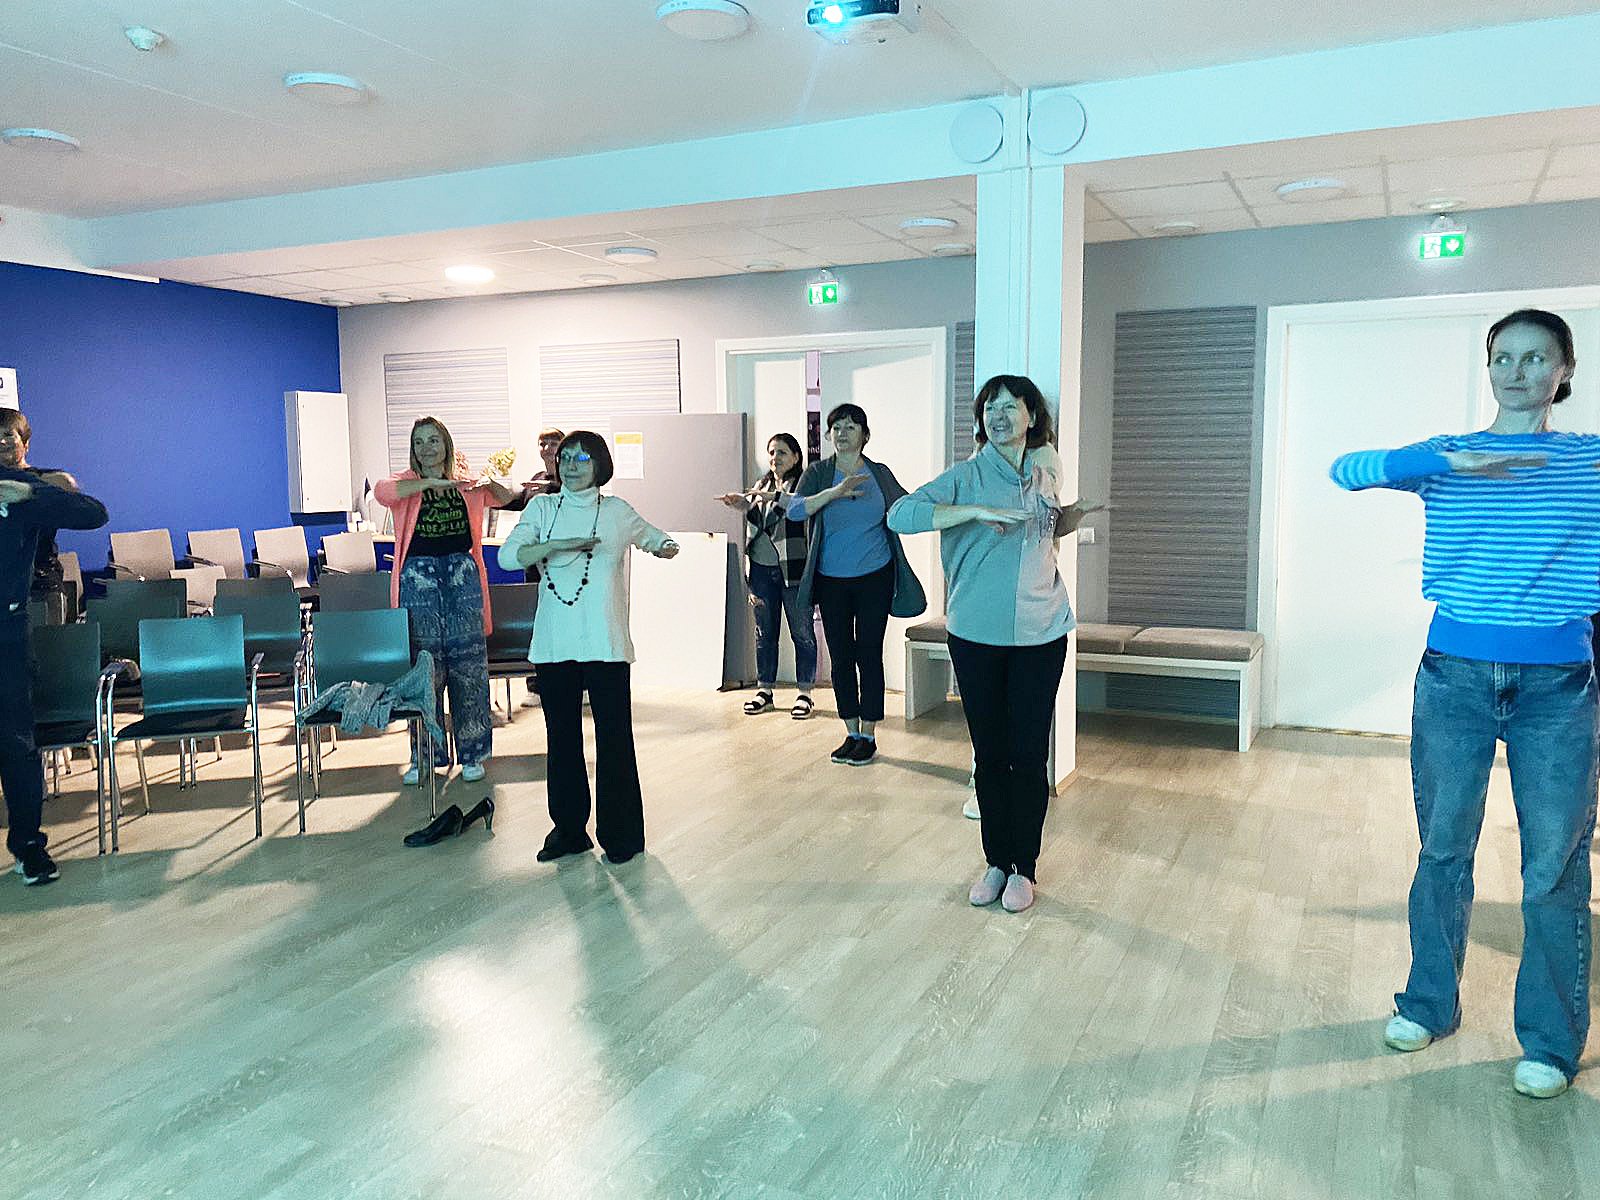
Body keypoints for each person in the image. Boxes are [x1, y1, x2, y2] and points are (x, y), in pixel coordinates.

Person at [1330, 308, 1600, 1100]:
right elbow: (1346, 470)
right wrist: (1447, 460)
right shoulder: (1448, 456)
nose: (1516, 372)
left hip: (1558, 685)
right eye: (1502, 357)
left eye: (1536, 358)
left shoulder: (1588, 460)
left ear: (1563, 371)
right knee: (1443, 849)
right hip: (1454, 678)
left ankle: (1550, 1043)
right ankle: (1428, 1004)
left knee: (1554, 868)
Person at [888, 375, 1098, 914]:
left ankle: (1023, 866)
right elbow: (900, 514)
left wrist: (1070, 518)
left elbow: (1042, 532)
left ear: (1032, 417)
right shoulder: (966, 476)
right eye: (990, 407)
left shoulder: (1044, 472)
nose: (998, 415)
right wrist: (973, 511)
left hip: (1042, 633)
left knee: (1028, 757)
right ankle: (995, 862)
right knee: (990, 754)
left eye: (1010, 406)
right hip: (977, 638)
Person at [499, 430, 679, 865]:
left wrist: (664, 546)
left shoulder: (616, 511)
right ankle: (568, 831)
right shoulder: (542, 508)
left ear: (600, 464)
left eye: (582, 459)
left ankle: (621, 835)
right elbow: (508, 557)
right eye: (566, 458)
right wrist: (556, 545)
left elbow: (651, 535)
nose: (572, 466)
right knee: (562, 740)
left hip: (605, 642)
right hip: (554, 644)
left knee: (614, 739)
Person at [375, 416, 513, 785]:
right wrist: (429, 482)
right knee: (424, 671)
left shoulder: (465, 482)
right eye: (419, 442)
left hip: (461, 575)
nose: (427, 448)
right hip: (417, 579)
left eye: (433, 440)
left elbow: (505, 497)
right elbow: (382, 492)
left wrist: (486, 481)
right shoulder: (405, 483)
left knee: (469, 667)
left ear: (446, 444)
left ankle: (473, 753)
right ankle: (425, 756)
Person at [789, 404, 924, 766]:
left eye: (851, 426)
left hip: (875, 576)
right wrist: (834, 492)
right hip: (831, 580)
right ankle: (850, 731)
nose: (843, 433)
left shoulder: (878, 473)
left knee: (868, 652)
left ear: (865, 435)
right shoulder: (818, 473)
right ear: (829, 435)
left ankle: (869, 733)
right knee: (841, 656)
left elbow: (906, 507)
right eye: (837, 427)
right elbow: (795, 510)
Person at [0, 461, 109, 885]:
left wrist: (32, 492)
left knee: (17, 745)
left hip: (7, 633)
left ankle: (28, 846)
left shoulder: (19, 488)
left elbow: (93, 514)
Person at [719, 433, 817, 719]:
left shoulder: (803, 485)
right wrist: (740, 503)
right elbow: (757, 517)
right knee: (765, 633)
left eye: (782, 452)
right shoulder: (760, 485)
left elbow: (798, 506)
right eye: (772, 452)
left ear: (796, 457)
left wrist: (770, 497)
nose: (775, 458)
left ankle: (805, 692)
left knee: (802, 633)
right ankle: (765, 690)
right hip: (761, 570)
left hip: (793, 570)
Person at [500, 427, 566, 706]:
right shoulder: (535, 480)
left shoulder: (572, 479)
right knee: (536, 623)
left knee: (565, 624)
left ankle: (580, 685)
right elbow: (512, 500)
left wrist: (548, 490)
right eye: (543, 443)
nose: (548, 448)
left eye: (554, 442)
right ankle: (536, 686)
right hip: (533, 565)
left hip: (563, 564)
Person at [0, 409, 79, 621]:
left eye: (8, 435)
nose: (1, 442)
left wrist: (30, 490)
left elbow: (68, 485)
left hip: (41, 587)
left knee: (46, 642)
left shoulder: (44, 479)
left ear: (25, 444)